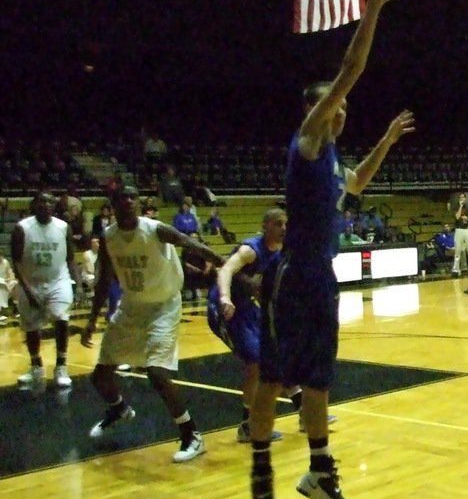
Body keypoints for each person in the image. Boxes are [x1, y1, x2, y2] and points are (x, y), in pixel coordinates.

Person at [249, 0, 414, 499]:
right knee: (275, 377)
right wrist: (371, 10)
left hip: (321, 277)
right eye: (334, 104)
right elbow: (349, 68)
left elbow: (357, 185)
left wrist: (388, 139)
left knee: (319, 380)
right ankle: (261, 471)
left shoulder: (334, 158)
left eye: (345, 108)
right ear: (315, 111)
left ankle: (318, 471)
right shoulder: (309, 141)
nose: (342, 110)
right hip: (292, 276)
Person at [81, 185, 225, 462]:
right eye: (123, 197)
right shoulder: (109, 237)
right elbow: (103, 281)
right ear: (113, 205)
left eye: (134, 197)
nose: (130, 201)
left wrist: (226, 264)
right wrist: (91, 320)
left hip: (164, 305)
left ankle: (191, 435)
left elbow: (192, 244)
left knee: (157, 373)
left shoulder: (155, 229)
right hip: (132, 305)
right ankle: (118, 408)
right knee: (99, 376)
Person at [209, 207, 291, 443]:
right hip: (224, 308)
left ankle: (296, 411)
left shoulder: (280, 253)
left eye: (285, 224)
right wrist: (225, 297)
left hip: (246, 307)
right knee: (255, 362)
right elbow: (225, 270)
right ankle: (248, 425)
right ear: (266, 226)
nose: (283, 228)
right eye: (278, 224)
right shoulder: (251, 250)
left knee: (274, 355)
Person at [12, 192, 80, 392]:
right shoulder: (22, 228)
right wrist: (26, 289)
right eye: (42, 201)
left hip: (57, 281)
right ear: (34, 205)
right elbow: (16, 262)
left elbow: (70, 258)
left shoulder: (63, 227)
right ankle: (36, 366)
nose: (46, 205)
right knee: (31, 327)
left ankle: (61, 366)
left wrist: (76, 281)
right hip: (29, 282)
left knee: (60, 318)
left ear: (54, 206)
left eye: (50, 201)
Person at [451, 192, 468, 277]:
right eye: (460, 198)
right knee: (457, 250)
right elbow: (457, 217)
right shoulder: (455, 207)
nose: (461, 199)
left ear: (465, 198)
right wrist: (460, 207)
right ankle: (455, 269)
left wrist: (466, 218)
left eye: (463, 197)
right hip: (459, 230)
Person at [0, 249, 16, 323]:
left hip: (5, 281)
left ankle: (16, 309)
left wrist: (9, 279)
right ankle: (1, 311)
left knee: (15, 283)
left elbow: (11, 274)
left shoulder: (5, 262)